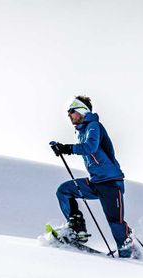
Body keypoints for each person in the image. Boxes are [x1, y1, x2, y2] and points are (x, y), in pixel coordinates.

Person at [49, 95, 134, 258]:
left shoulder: (94, 125)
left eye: (71, 111)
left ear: (82, 111)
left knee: (115, 223)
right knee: (64, 191)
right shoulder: (81, 131)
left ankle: (128, 254)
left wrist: (67, 148)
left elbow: (91, 147)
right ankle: (76, 229)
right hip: (95, 182)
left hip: (110, 183)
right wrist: (63, 148)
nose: (69, 115)